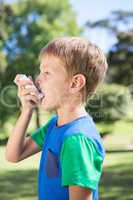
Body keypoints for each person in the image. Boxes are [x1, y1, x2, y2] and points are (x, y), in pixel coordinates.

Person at [6, 37, 108, 200]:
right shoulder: (55, 125)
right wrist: (27, 110)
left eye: (47, 73)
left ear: (75, 83)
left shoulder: (77, 140)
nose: (38, 79)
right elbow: (13, 155)